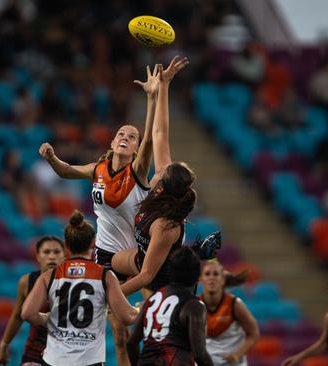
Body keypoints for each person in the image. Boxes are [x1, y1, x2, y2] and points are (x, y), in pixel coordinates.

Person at [37, 64, 159, 366]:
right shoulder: (99, 169)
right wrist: (52, 158)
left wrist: (153, 99)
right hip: (105, 255)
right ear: (112, 141)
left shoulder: (138, 170)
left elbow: (150, 141)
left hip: (137, 253)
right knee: (119, 334)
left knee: (155, 320)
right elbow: (67, 171)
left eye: (131, 137)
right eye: (121, 133)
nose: (126, 137)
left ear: (134, 149)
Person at [111, 56, 220, 296]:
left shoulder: (165, 226)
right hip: (141, 258)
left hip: (162, 282)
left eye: (163, 172)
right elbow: (159, 133)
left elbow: (146, 277)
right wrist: (164, 85)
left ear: (161, 188)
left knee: (134, 320)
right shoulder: (164, 180)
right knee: (104, 259)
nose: (160, 168)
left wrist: (108, 301)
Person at [21, 210, 138, 366]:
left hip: (55, 360)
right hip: (89, 360)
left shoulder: (49, 276)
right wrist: (140, 309)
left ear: (66, 246)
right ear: (93, 243)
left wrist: (46, 318)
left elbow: (27, 313)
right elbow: (127, 317)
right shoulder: (105, 275)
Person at [127, 247, 213, 366]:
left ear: (170, 272)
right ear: (198, 276)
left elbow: (131, 343)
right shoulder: (194, 306)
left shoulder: (152, 300)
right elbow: (199, 354)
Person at [0, 236, 66, 365]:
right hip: (35, 350)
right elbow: (17, 317)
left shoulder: (74, 283)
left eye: (57, 252)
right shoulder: (27, 282)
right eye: (46, 252)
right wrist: (4, 345)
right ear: (38, 257)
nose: (52, 256)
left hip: (65, 350)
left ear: (64, 256)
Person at [199, 260, 260, 366]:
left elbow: (253, 334)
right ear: (201, 279)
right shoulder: (195, 304)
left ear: (222, 280)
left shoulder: (235, 304)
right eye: (207, 274)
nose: (211, 277)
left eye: (216, 274)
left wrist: (237, 355)